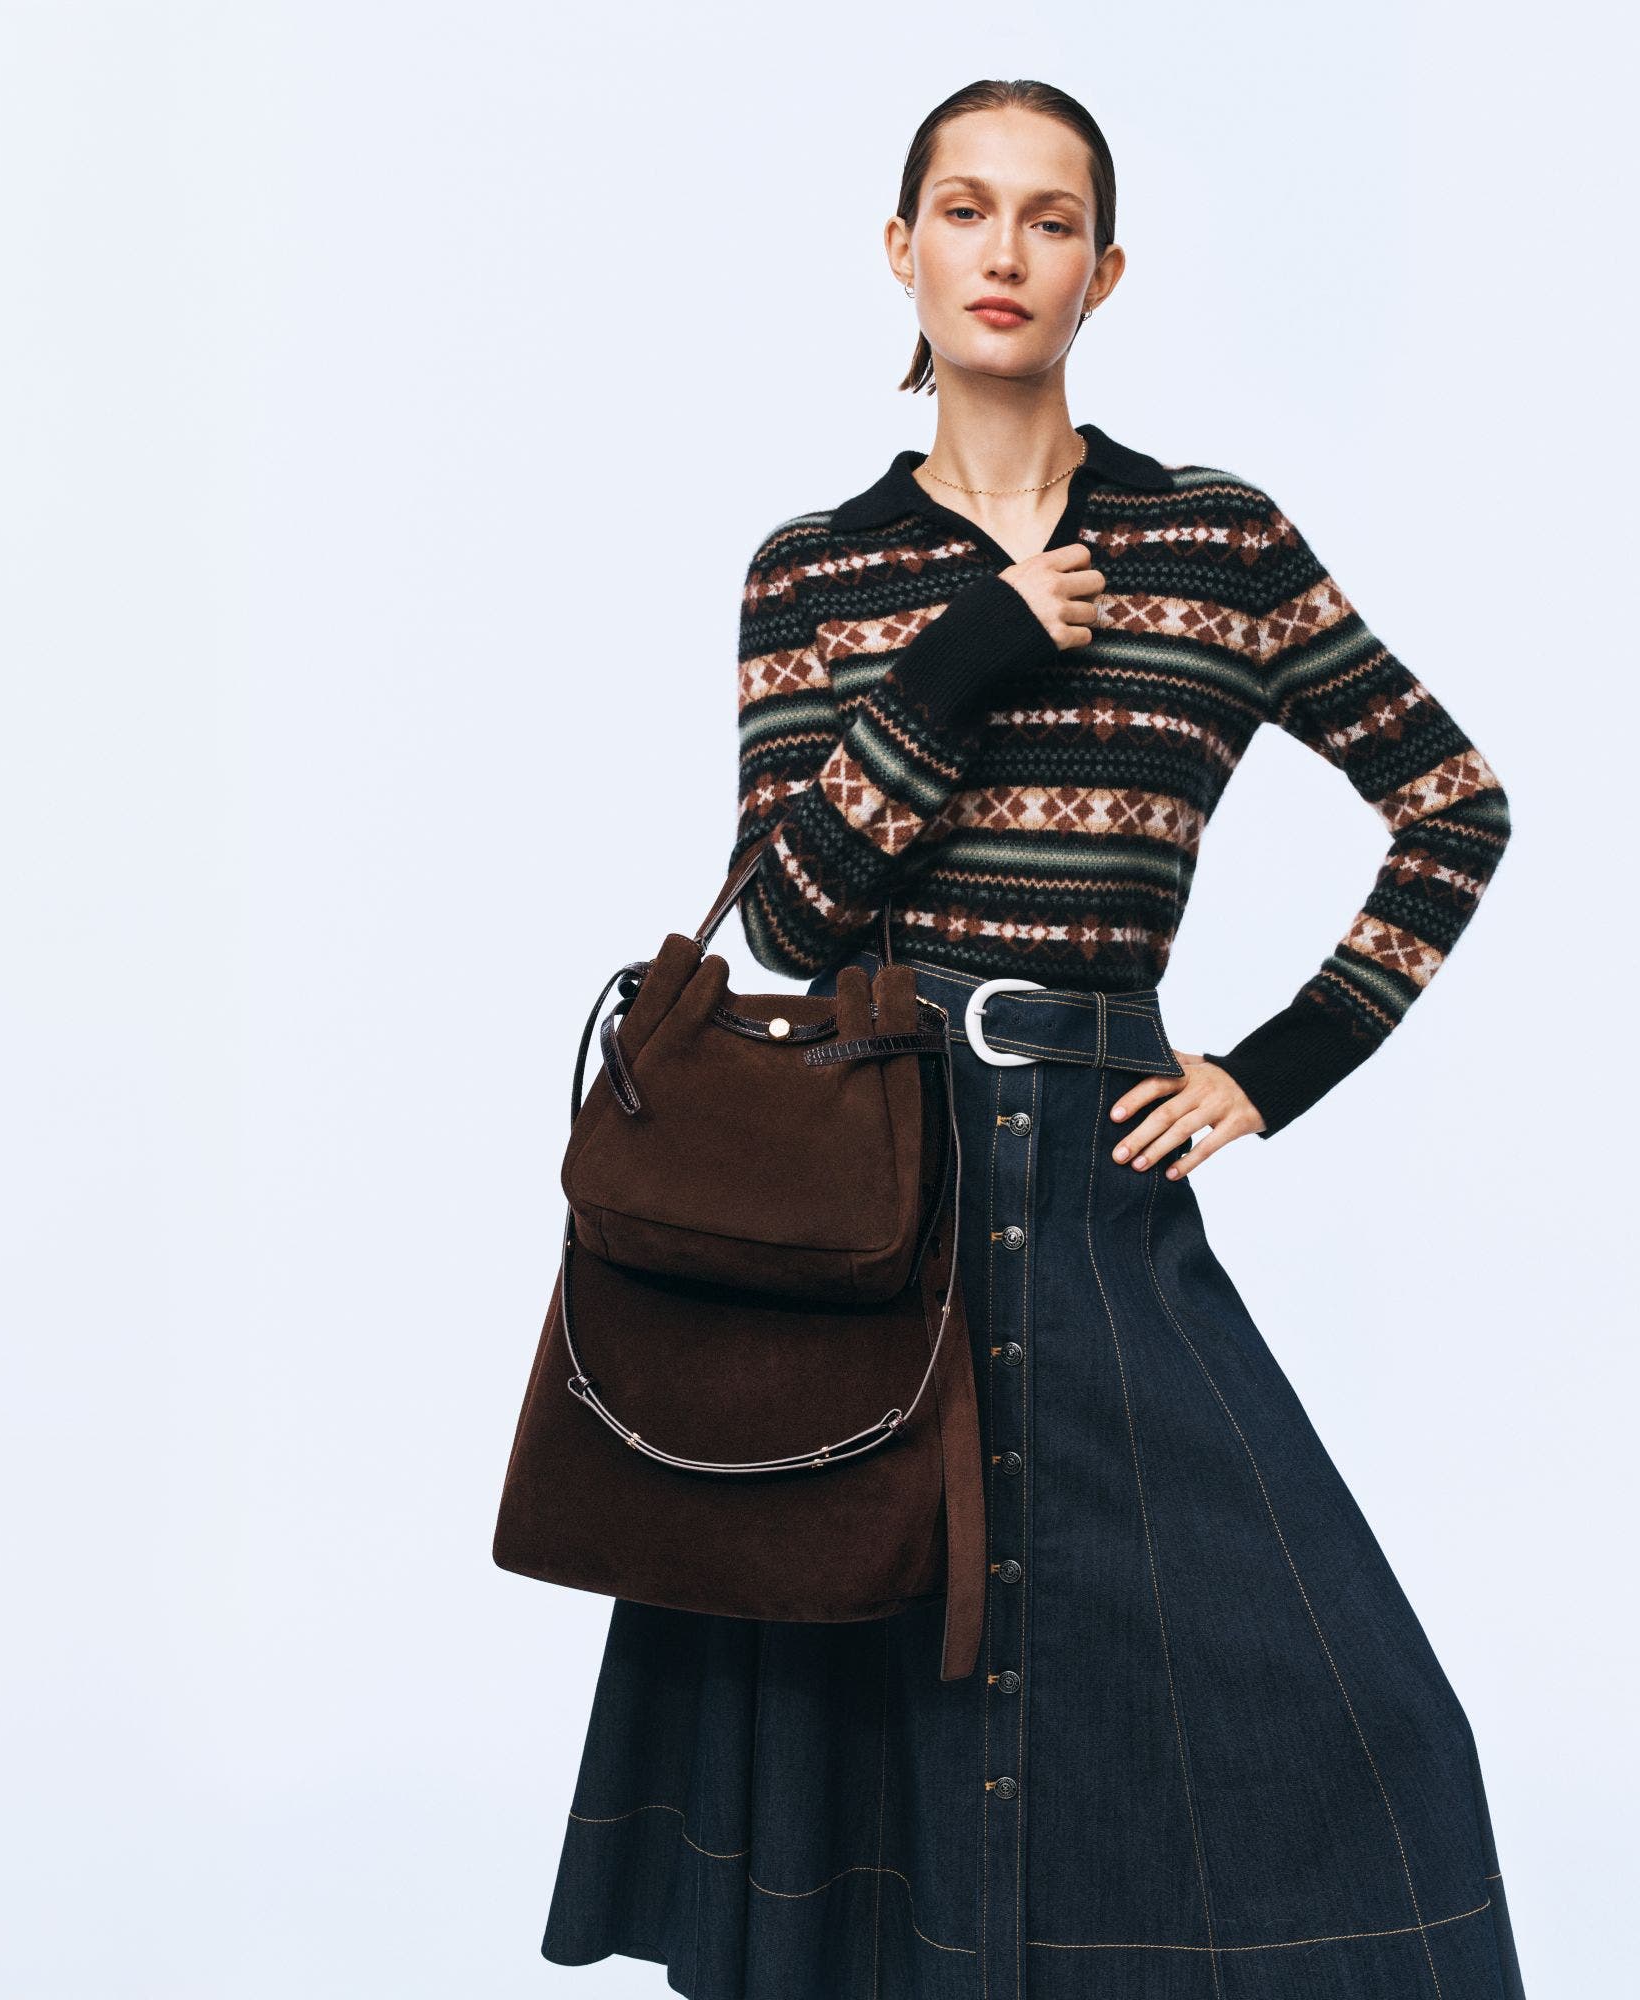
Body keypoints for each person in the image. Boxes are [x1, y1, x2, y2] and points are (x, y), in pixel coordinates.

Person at [538, 77, 1525, 1999]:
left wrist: (1273, 1068)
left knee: (1349, 1713)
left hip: (1093, 1184)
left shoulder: (1220, 545)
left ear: (1105, 268)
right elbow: (800, 912)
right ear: (901, 253)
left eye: (1049, 220)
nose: (1005, 253)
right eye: (966, 213)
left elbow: (1453, 803)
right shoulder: (812, 570)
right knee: (861, 1732)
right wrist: (974, 644)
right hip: (856, 1199)